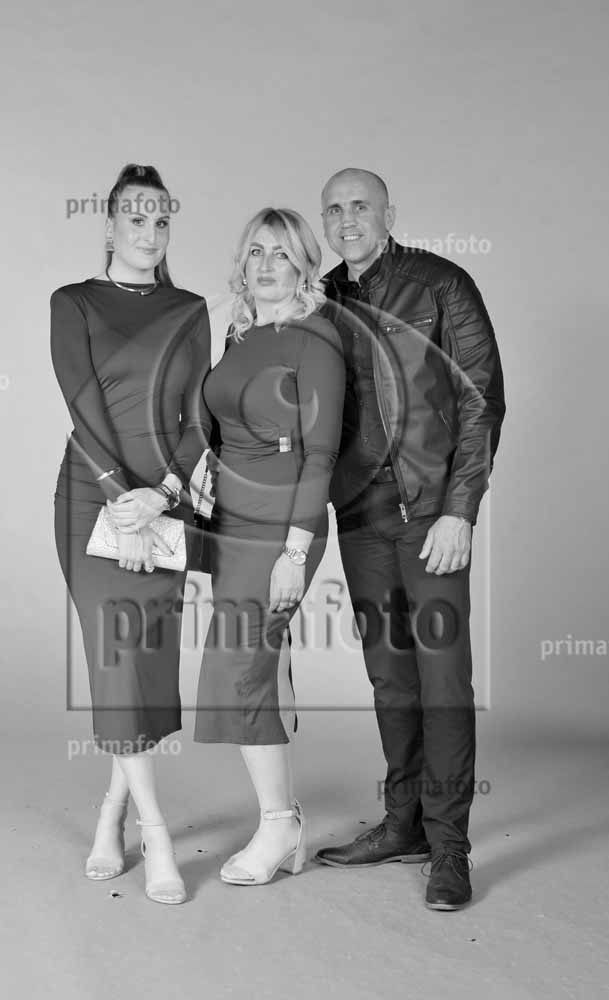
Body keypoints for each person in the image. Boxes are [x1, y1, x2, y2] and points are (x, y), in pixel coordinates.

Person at [313, 168, 506, 910]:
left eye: (360, 205)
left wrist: (461, 509)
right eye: (334, 209)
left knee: (442, 680)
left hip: (430, 515)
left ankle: (449, 846)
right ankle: (403, 824)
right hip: (359, 519)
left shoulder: (441, 283)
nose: (347, 219)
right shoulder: (323, 299)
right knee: (390, 678)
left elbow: (481, 399)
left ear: (388, 212)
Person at [51, 163, 211, 904]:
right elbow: (82, 410)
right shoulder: (73, 302)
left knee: (144, 666)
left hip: (164, 501)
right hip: (93, 500)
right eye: (135, 218)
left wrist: (164, 497)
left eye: (160, 220)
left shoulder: (191, 308)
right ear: (110, 224)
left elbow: (197, 420)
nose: (149, 232)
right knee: (116, 663)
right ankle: (158, 835)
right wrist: (124, 501)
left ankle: (111, 811)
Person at [193, 207, 345, 885]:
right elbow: (224, 425)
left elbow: (320, 454)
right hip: (231, 523)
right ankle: (282, 820)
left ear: (304, 265)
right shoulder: (241, 332)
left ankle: (280, 824)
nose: (265, 264)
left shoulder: (316, 339)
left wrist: (294, 553)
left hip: (283, 526)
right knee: (249, 667)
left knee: (245, 669)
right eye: (255, 251)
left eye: (281, 253)